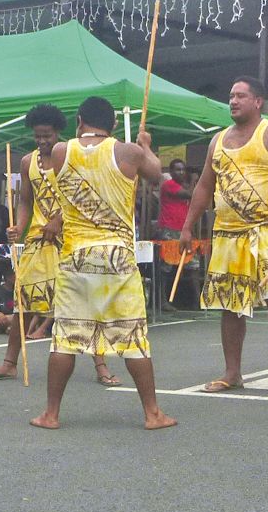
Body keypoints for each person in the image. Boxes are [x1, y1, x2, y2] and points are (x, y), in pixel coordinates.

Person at [31, 95, 175, 431]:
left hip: (76, 257)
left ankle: (51, 413)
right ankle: (152, 413)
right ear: (113, 124)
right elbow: (156, 174)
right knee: (133, 336)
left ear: (79, 121)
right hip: (117, 257)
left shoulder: (61, 151)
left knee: (65, 337)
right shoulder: (128, 152)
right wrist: (145, 145)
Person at [179, 76, 268, 395]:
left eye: (240, 96)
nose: (233, 101)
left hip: (267, 228)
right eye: (231, 96)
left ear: (257, 102)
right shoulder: (218, 140)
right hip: (227, 232)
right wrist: (187, 226)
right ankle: (232, 372)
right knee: (230, 301)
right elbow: (204, 186)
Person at [0, 104, 120, 384]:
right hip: (37, 242)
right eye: (37, 136)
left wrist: (59, 219)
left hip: (70, 240)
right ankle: (9, 363)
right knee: (24, 304)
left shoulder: (70, 155)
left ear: (58, 132)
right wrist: (18, 227)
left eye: (47, 136)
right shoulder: (27, 162)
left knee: (84, 303)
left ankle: (102, 366)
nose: (42, 141)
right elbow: (25, 201)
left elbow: (83, 198)